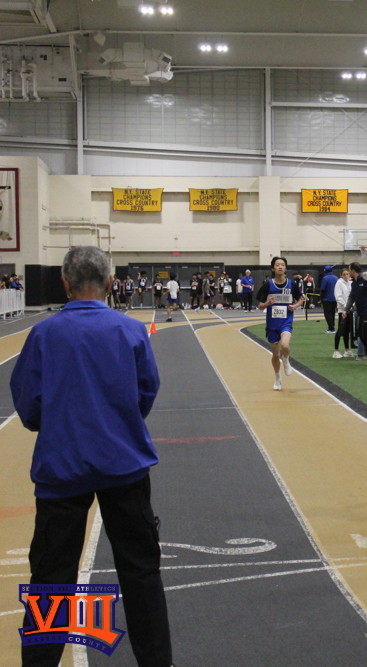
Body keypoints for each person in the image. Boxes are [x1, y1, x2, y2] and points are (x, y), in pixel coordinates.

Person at [9, 246, 172, 666]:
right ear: (111, 282)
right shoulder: (130, 331)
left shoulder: (43, 334)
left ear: (64, 283)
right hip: (124, 465)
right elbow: (146, 392)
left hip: (61, 469)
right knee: (141, 572)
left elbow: (28, 406)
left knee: (51, 579)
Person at [257, 256, 304, 390]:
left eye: (282, 265)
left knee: (285, 345)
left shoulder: (292, 284)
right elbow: (260, 306)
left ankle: (286, 360)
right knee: (276, 354)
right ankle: (277, 377)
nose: (280, 267)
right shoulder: (268, 285)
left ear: (286, 268)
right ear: (273, 268)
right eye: (277, 265)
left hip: (286, 321)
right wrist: (267, 303)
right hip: (272, 324)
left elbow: (301, 299)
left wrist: (295, 306)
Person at [333, 267, 356, 358]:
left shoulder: (349, 283)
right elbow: (338, 297)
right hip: (342, 310)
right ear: (341, 275)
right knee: (340, 330)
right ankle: (336, 351)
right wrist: (345, 306)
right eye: (344, 274)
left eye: (347, 274)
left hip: (349, 310)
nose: (346, 276)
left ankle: (347, 350)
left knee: (347, 331)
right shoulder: (339, 283)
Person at [320, 265, 338, 333]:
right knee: (333, 313)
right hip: (335, 298)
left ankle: (331, 328)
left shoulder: (325, 278)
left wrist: (321, 299)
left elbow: (323, 289)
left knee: (328, 314)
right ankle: (332, 327)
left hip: (327, 299)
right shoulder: (336, 278)